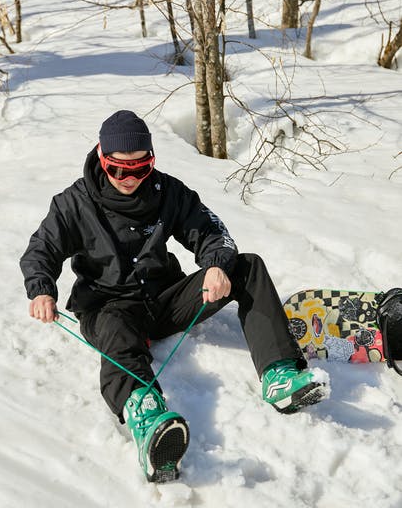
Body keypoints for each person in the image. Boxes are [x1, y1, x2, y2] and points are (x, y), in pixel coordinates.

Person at [20, 110, 329, 483]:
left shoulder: (169, 193)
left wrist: (216, 264)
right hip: (109, 306)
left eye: (140, 168)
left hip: (164, 299)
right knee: (117, 332)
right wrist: (41, 290)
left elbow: (213, 232)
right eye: (119, 170)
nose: (130, 178)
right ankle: (148, 419)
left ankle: (280, 375)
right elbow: (41, 251)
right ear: (102, 160)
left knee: (247, 266)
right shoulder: (73, 203)